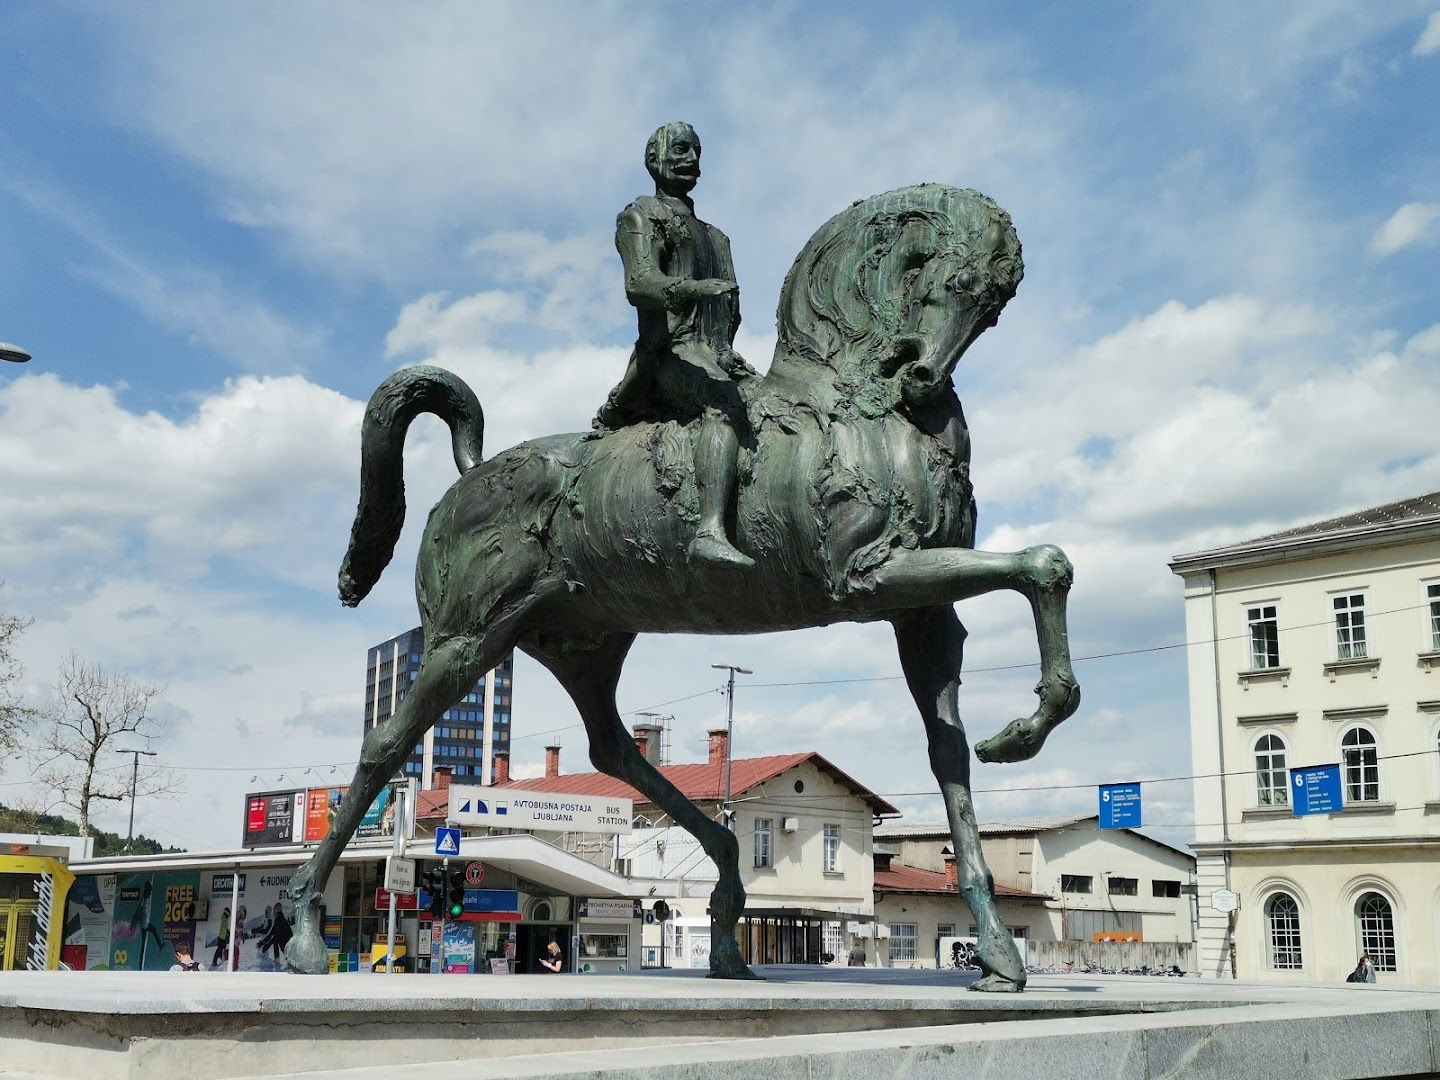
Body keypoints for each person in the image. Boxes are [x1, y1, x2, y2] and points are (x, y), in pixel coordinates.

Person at [596, 121, 758, 571]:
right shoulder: (639, 216)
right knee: (722, 402)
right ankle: (709, 530)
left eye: (697, 152)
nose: (691, 159)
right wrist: (690, 289)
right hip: (669, 351)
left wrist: (727, 348)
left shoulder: (718, 237)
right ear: (654, 160)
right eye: (681, 150)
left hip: (716, 353)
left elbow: (732, 308)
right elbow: (640, 283)